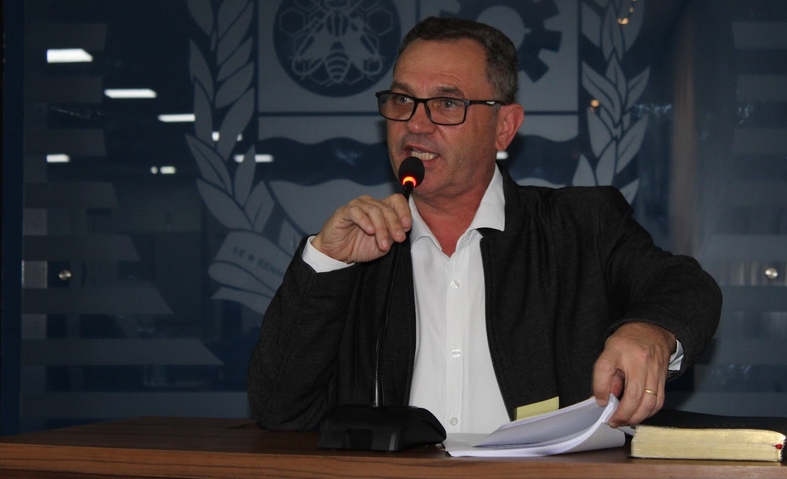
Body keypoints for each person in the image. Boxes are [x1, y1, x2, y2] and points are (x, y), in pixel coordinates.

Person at [248, 16, 721, 434]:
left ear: (504, 127)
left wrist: (651, 331)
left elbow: (685, 286)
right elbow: (280, 412)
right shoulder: (357, 253)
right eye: (403, 99)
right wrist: (326, 264)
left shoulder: (580, 226)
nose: (415, 124)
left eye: (446, 104)